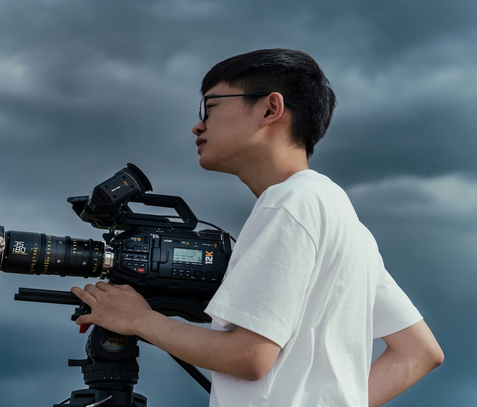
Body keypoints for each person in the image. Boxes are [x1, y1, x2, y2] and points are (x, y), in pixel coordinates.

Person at [71, 49, 443, 406]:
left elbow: (251, 356)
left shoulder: (288, 204)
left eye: (211, 107)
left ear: (270, 108)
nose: (198, 124)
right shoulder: (341, 217)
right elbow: (419, 352)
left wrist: (138, 319)